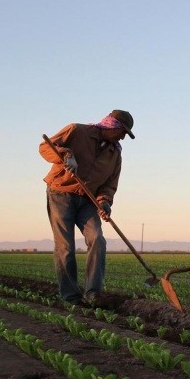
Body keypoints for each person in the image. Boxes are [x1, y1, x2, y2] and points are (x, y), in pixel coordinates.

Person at [39, 110, 135, 306]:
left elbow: (109, 183)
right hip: (61, 193)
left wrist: (104, 201)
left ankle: (93, 293)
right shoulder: (77, 131)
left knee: (97, 239)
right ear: (112, 126)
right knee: (66, 247)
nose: (123, 137)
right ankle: (71, 297)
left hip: (88, 200)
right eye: (123, 132)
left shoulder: (114, 154)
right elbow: (45, 147)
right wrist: (66, 155)